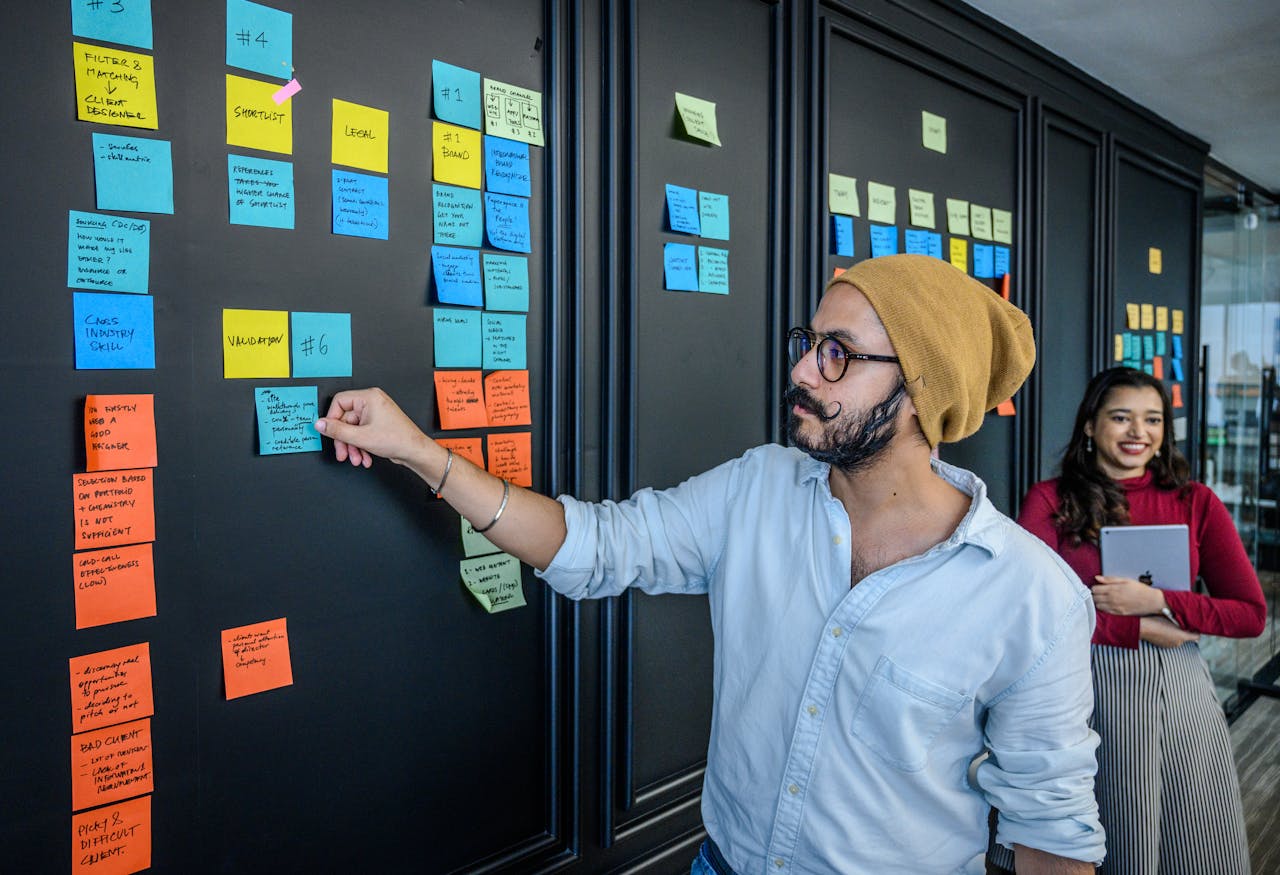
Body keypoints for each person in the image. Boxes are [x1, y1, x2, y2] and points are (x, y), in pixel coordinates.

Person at [315, 255, 1105, 874]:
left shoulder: (1032, 597)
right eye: (809, 343)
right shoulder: (757, 488)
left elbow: (1051, 831)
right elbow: (597, 545)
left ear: (921, 392)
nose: (801, 371)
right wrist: (420, 450)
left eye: (838, 355)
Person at [993, 366, 1266, 875]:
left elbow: (1250, 615)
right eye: (1122, 417)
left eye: (1153, 420)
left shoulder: (1195, 502)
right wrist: (1134, 627)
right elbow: (1023, 613)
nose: (1139, 433)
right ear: (1091, 426)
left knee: (1190, 837)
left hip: (1179, 693)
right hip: (1076, 687)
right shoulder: (1050, 500)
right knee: (1105, 832)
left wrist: (1155, 599)